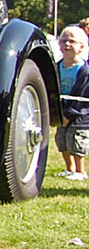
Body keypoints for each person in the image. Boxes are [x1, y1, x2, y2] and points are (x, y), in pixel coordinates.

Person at [55, 25, 89, 180]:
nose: (67, 44)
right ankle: (70, 169)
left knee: (76, 140)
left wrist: (70, 114)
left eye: (72, 41)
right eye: (64, 41)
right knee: (61, 139)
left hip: (80, 114)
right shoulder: (57, 67)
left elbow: (82, 95)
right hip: (63, 111)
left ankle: (81, 172)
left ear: (81, 47)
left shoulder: (84, 70)